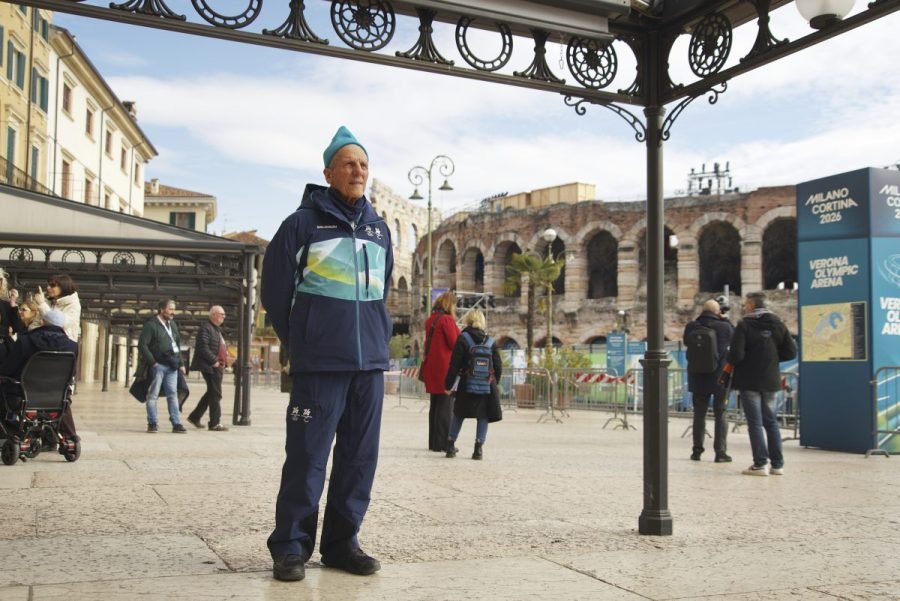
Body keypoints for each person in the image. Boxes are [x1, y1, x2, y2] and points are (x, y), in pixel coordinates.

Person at [261, 126, 393, 582]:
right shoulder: (301, 225)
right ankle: (290, 547)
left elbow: (381, 292)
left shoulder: (379, 230)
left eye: (363, 164)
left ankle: (342, 543)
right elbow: (274, 292)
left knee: (359, 460)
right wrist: (303, 342)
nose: (358, 171)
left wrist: (378, 338)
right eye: (348, 164)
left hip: (369, 365)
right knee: (307, 457)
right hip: (319, 364)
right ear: (328, 172)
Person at [720, 291, 797, 476]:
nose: (744, 307)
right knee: (771, 421)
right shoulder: (778, 323)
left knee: (755, 422)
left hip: (749, 379)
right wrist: (771, 358)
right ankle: (777, 465)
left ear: (752, 305)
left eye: (746, 304)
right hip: (770, 378)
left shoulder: (745, 325)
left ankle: (760, 464)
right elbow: (791, 352)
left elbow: (736, 355)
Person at [0, 309, 79, 437]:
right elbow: (72, 372)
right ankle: (68, 436)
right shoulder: (72, 346)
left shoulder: (25, 341)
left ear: (42, 322)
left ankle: (10, 431)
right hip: (57, 397)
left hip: (23, 395)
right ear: (62, 326)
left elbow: (8, 369)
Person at [444, 308, 503, 460]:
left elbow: (454, 365)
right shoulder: (490, 342)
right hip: (486, 385)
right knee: (483, 416)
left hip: (466, 383)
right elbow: (498, 366)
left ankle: (450, 446)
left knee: (459, 414)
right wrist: (494, 382)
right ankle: (478, 449)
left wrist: (448, 385)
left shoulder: (463, 339)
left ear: (467, 321)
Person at [683, 298, 734, 463]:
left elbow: (686, 342)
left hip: (697, 376)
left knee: (699, 414)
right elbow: (734, 338)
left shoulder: (691, 327)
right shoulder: (724, 327)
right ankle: (720, 452)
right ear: (718, 311)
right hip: (719, 377)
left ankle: (697, 451)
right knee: (721, 413)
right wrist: (725, 319)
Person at [137, 299, 187, 434]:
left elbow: (177, 345)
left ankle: (176, 423)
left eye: (174, 309)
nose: (173, 312)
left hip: (172, 366)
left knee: (173, 395)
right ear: (162, 309)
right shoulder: (151, 325)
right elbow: (142, 345)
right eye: (170, 309)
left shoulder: (173, 324)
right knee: (153, 395)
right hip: (157, 366)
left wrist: (181, 364)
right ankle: (152, 423)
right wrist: (153, 362)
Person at [421, 291, 459, 452]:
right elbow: (454, 343)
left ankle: (434, 442)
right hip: (444, 368)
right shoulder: (446, 320)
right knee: (445, 407)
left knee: (435, 406)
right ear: (449, 304)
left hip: (432, 366)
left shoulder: (431, 319)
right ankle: (444, 443)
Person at [186, 306, 229, 431]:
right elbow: (202, 347)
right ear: (213, 314)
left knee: (212, 392)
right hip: (211, 366)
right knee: (216, 394)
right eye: (221, 314)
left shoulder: (215, 329)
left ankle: (195, 417)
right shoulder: (206, 328)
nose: (224, 317)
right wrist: (214, 360)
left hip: (217, 366)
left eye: (224, 314)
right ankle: (215, 423)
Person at [34, 274, 81, 342]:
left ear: (63, 287)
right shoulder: (48, 302)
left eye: (52, 285)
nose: (48, 287)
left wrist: (42, 304)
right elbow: (35, 324)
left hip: (64, 344)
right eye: (48, 285)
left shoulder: (73, 304)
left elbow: (61, 323)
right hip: (46, 341)